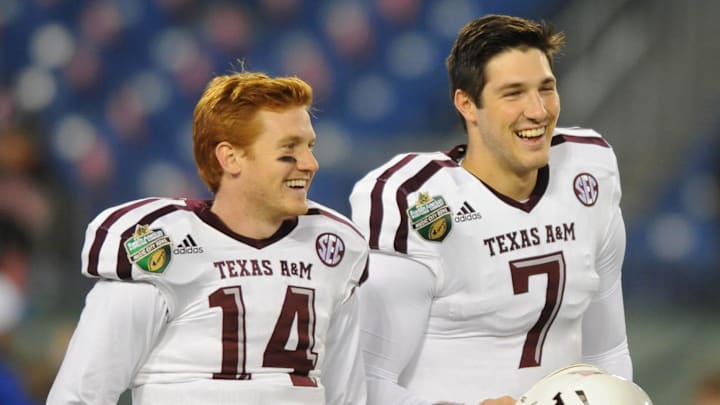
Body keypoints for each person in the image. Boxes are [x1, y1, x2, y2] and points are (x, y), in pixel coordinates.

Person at [350, 14, 632, 405]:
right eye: (513, 93)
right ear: (467, 104)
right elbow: (365, 379)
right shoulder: (419, 201)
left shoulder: (587, 169)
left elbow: (608, 351)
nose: (538, 111)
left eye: (546, 88)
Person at [47, 71, 369, 405]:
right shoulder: (159, 245)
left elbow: (348, 398)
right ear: (231, 157)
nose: (310, 163)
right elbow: (80, 397)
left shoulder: (334, 248)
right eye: (289, 150)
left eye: (309, 146)